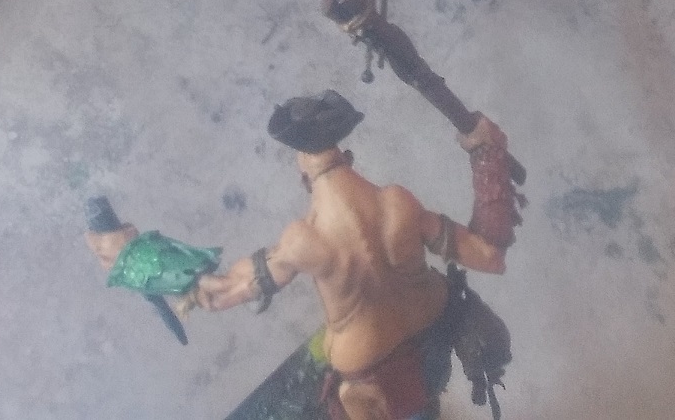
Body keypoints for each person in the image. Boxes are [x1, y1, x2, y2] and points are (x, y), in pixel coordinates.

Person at [194, 92, 514, 420]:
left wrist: (194, 285)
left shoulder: (303, 240)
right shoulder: (399, 203)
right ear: (347, 158)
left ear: (304, 178)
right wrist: (486, 153)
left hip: (373, 390)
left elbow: (229, 290)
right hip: (433, 354)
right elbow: (488, 254)